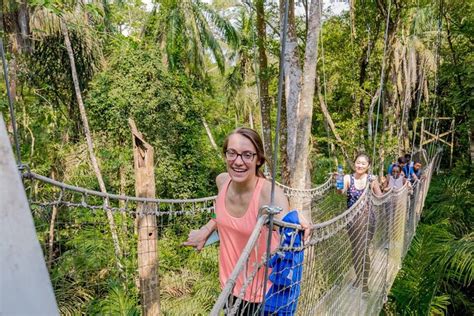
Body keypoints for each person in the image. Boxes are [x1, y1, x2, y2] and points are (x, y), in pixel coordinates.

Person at [183, 127, 310, 314]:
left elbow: (286, 225)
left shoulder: (269, 194)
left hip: (263, 295)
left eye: (247, 155)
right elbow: (220, 213)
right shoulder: (222, 181)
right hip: (229, 287)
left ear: (258, 159)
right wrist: (206, 229)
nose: (238, 161)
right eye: (232, 153)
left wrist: (296, 217)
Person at [337, 153, 382, 294]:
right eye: (358, 162)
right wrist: (338, 184)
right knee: (356, 250)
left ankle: (364, 283)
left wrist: (379, 187)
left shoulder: (371, 179)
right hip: (352, 221)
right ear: (354, 163)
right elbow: (341, 192)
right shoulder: (347, 178)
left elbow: (380, 197)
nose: (360, 165)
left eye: (363, 163)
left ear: (368, 166)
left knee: (363, 250)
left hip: (368, 220)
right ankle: (358, 278)